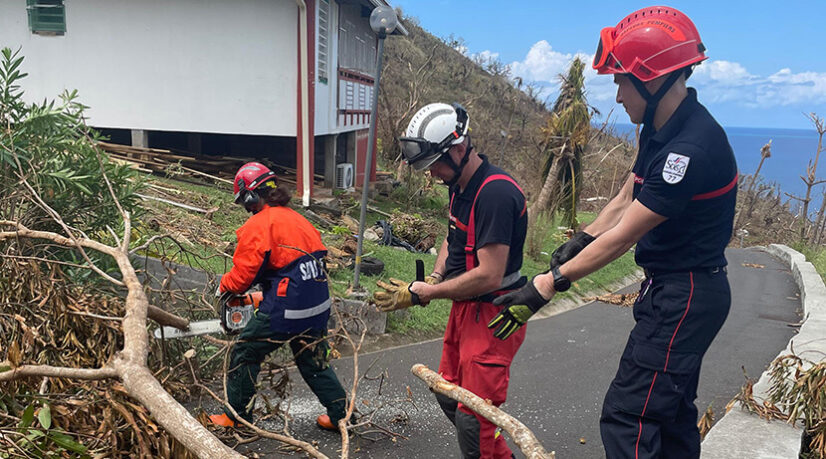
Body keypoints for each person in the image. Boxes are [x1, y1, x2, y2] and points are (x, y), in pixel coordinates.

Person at [488, 6, 738, 458]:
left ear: (652, 77)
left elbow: (626, 236)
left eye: (622, 81)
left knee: (629, 416)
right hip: (674, 290)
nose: (618, 95)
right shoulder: (660, 129)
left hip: (688, 294)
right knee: (673, 414)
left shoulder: (690, 151)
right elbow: (627, 197)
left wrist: (547, 285)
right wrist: (583, 237)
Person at [375, 102, 528, 458]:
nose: (432, 175)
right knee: (448, 394)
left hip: (493, 315)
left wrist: (429, 293)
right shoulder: (459, 184)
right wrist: (437, 275)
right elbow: (452, 236)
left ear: (459, 148)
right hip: (466, 309)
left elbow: (490, 274)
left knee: (475, 420)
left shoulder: (495, 193)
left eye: (435, 166)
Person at [209, 162, 347, 432]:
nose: (246, 208)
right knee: (313, 360)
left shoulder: (260, 224)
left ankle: (235, 416)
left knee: (245, 351)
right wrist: (261, 298)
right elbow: (290, 269)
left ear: (249, 195)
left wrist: (223, 286)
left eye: (244, 202)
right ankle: (341, 415)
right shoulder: (297, 219)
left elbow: (243, 277)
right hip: (317, 302)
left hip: (289, 308)